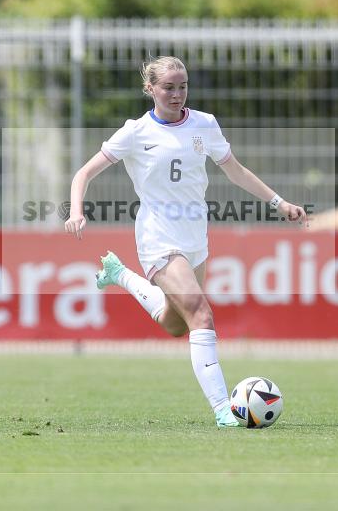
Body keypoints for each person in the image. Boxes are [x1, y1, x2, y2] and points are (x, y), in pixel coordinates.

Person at [64, 56, 305, 427]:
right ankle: (225, 410)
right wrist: (76, 211)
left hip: (195, 237)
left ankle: (119, 274)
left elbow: (236, 171)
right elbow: (84, 172)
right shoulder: (135, 132)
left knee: (176, 324)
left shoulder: (204, 125)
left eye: (183, 86)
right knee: (202, 316)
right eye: (168, 87)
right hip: (158, 236)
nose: (177, 94)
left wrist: (279, 202)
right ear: (150, 90)